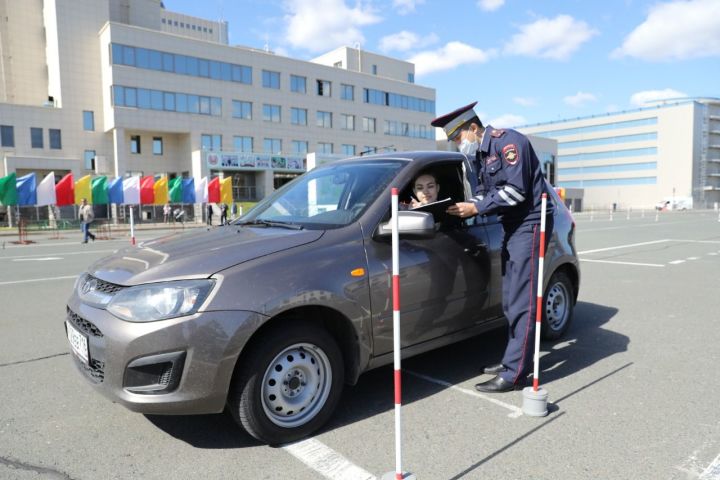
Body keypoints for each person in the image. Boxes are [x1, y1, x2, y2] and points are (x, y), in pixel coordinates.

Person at [431, 101, 555, 393]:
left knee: (523, 300)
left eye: (458, 138)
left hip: (531, 222)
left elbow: (515, 190)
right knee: (511, 299)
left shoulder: (508, 143)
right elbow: (485, 193)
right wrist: (462, 207)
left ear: (473, 128)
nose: (459, 145)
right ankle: (514, 358)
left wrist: (477, 209)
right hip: (512, 224)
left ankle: (514, 374)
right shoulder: (480, 156)